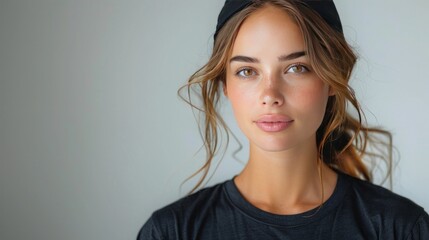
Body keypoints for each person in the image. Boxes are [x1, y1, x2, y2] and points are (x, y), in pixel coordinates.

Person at [138, 0, 429, 239]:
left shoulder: (400, 228)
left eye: (296, 68)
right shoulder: (172, 232)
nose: (270, 94)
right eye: (247, 71)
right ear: (224, 84)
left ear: (332, 78)